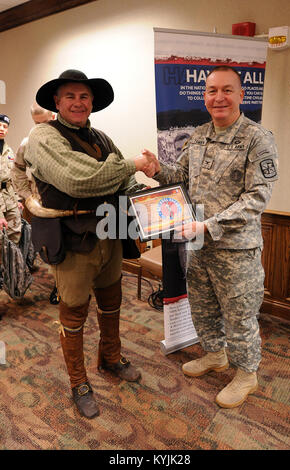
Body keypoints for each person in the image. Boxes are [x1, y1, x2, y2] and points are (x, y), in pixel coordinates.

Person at [142, 66, 279, 408]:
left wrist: (208, 224)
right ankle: (215, 355)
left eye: (227, 90)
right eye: (211, 90)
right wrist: (157, 169)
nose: (218, 97)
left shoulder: (258, 138)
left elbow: (257, 197)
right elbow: (182, 177)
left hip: (236, 249)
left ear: (241, 94)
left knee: (239, 314)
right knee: (203, 308)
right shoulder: (199, 135)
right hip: (199, 245)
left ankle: (247, 374)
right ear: (204, 96)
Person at [24, 69, 156, 419]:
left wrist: (158, 203)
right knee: (74, 310)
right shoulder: (42, 136)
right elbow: (79, 179)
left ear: (92, 102)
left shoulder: (101, 137)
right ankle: (78, 382)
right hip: (71, 236)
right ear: (57, 101)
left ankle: (110, 357)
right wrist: (131, 164)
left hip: (111, 230)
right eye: (70, 96)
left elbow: (124, 182)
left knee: (112, 298)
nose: (78, 102)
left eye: (84, 97)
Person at [11, 103, 59, 303]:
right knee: (52, 245)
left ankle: (66, 285)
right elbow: (17, 169)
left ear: (54, 117)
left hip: (67, 201)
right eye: (36, 123)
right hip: (41, 202)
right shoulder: (27, 141)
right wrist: (27, 197)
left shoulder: (67, 139)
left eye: (45, 122)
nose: (41, 127)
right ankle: (59, 286)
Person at [0, 114, 22, 246]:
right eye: (0, 125)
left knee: (15, 232)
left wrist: (17, 199)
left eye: (5, 126)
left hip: (9, 197)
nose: (2, 128)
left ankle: (13, 265)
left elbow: (13, 177)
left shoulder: (9, 151)